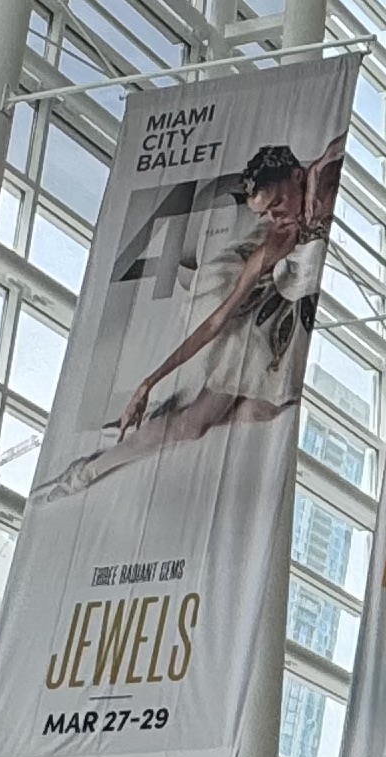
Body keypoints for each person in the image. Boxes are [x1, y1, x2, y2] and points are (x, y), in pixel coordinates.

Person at [41, 139, 345, 495]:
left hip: (297, 315)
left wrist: (325, 159)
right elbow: (215, 323)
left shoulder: (323, 178)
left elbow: (341, 146)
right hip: (266, 319)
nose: (275, 217)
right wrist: (147, 383)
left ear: (296, 177)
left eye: (277, 202)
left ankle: (163, 418)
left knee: (262, 410)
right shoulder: (273, 244)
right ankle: (88, 472)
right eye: (265, 213)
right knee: (194, 426)